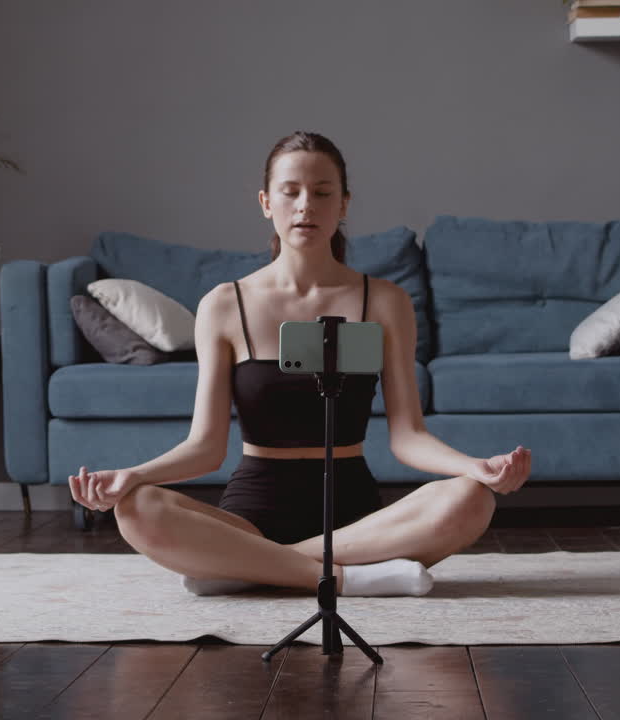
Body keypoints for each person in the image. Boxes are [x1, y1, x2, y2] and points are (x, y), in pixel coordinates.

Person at [69, 131, 532, 597]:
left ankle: (245, 566)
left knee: (472, 499)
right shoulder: (225, 304)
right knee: (137, 508)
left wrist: (476, 467)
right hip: (252, 514)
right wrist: (133, 475)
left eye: (322, 193)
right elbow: (205, 448)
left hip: (358, 524)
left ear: (344, 204)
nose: (305, 205)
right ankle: (346, 578)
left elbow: (408, 436)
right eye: (290, 192)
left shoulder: (385, 301)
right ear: (266, 202)